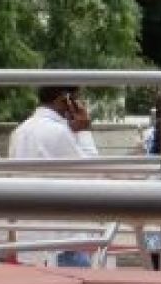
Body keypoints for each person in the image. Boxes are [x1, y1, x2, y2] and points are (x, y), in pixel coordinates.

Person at [8, 86, 100, 266]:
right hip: (63, 242)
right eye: (77, 99)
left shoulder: (20, 131)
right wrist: (83, 130)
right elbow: (92, 170)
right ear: (65, 99)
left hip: (29, 239)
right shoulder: (58, 131)